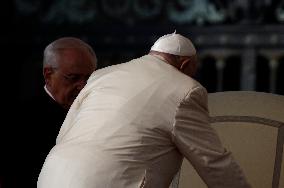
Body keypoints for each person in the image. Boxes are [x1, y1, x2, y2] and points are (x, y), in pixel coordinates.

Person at [38, 33, 251, 188]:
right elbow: (213, 162)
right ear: (185, 64)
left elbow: (64, 135)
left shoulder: (104, 75)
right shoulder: (186, 89)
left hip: (51, 177)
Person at [3, 37, 97, 188]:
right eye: (73, 78)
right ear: (48, 75)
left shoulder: (96, 113)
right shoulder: (20, 119)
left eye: (88, 79)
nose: (82, 86)